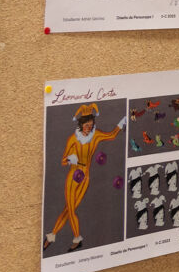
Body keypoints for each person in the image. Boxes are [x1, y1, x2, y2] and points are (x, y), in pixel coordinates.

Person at [45, 103, 126, 252]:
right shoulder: (73, 139)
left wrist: (122, 123)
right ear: (80, 124)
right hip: (73, 176)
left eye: (91, 124)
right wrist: (70, 159)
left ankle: (52, 235)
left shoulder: (95, 136)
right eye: (86, 125)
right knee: (69, 208)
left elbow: (111, 135)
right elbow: (63, 161)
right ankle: (76, 237)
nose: (88, 127)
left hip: (85, 178)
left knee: (70, 209)